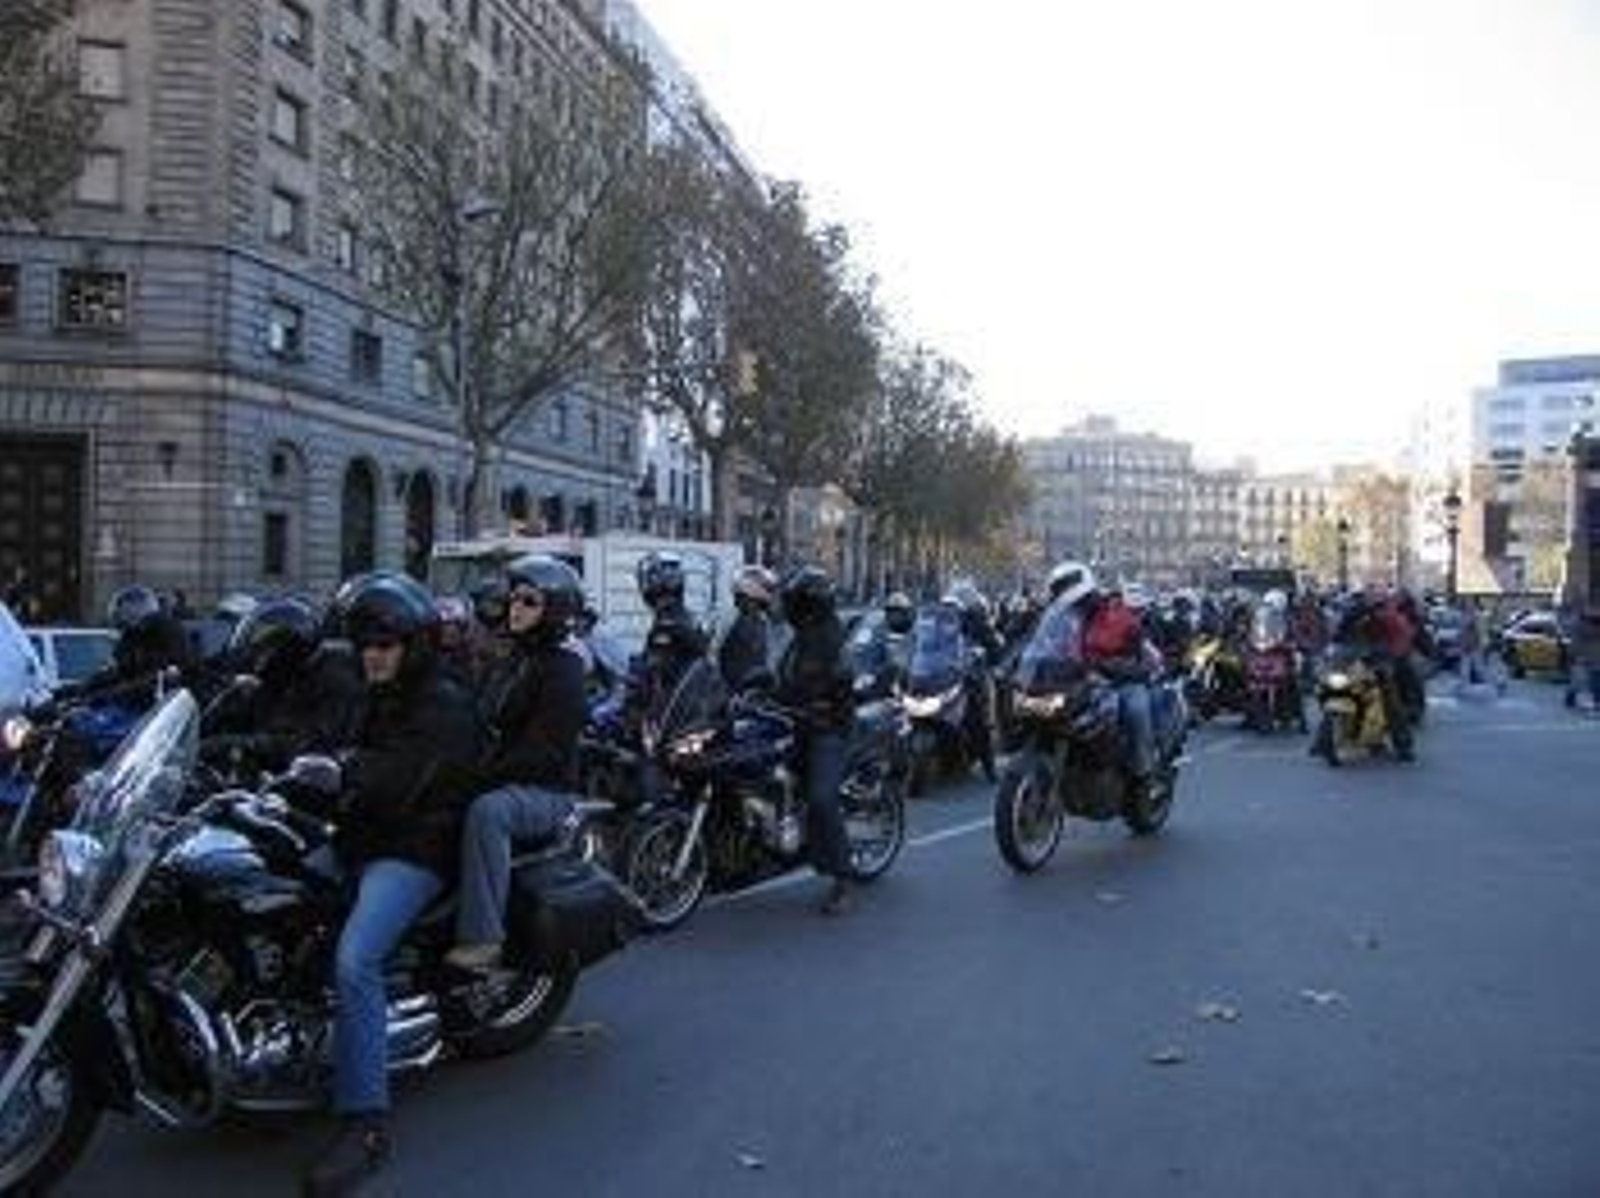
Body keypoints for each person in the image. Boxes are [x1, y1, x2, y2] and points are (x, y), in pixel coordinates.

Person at [301, 573, 483, 1198]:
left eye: (385, 644)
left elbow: (398, 779)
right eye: (365, 645)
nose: (372, 655)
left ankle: (366, 1121)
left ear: (414, 644)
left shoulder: (443, 703)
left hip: (412, 849)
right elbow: (329, 742)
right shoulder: (372, 693)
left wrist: (341, 771)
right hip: (360, 837)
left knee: (356, 959)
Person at [445, 555, 588, 972]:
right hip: (503, 775)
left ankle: (483, 937)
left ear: (554, 609)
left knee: (488, 813)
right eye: (513, 599)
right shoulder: (512, 659)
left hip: (546, 791)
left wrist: (481, 777)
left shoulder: (564, 669)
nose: (516, 608)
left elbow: (545, 751)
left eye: (529, 601)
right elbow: (478, 717)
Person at [201, 596, 365, 774]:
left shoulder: (334, 681)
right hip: (268, 776)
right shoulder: (279, 681)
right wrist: (228, 700)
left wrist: (234, 744)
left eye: (266, 651)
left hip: (316, 779)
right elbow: (213, 727)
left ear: (288, 650)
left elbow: (304, 745)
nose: (259, 659)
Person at [775, 566, 857, 916]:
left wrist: (823, 704)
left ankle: (842, 879)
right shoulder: (795, 638)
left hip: (828, 730)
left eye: (796, 603)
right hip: (794, 726)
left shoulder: (833, 639)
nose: (790, 608)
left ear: (812, 605)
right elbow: (780, 676)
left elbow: (843, 683)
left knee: (821, 799)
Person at [1047, 560, 1160, 791]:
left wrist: (1117, 667)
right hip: (1080, 682)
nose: (1076, 606)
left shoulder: (1120, 615)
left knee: (1135, 710)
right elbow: (1042, 644)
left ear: (1090, 593)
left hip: (1121, 682)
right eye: (1072, 603)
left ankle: (1144, 774)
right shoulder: (1061, 618)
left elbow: (1148, 659)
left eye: (1080, 601)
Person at [717, 564, 778, 693]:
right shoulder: (733, 620)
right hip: (732, 691)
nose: (737, 601)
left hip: (752, 692)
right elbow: (715, 654)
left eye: (741, 597)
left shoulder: (764, 623)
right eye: (738, 597)